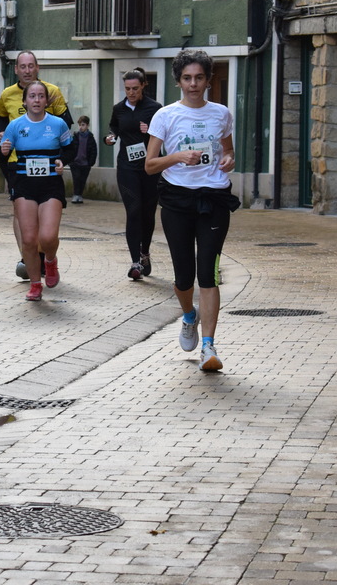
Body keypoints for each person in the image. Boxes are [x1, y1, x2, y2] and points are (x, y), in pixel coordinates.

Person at [144, 49, 239, 372]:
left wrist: (229, 160)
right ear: (178, 81)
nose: (193, 84)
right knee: (184, 277)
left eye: (199, 78)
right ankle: (189, 315)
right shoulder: (165, 116)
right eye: (187, 78)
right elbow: (150, 165)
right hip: (177, 200)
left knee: (208, 273)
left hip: (213, 199)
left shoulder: (221, 114)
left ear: (208, 80)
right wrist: (177, 157)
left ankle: (209, 347)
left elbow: (228, 151)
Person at [0, 50, 72, 280]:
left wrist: (59, 155)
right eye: (23, 66)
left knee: (45, 224)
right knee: (20, 215)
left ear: (37, 68)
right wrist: (2, 134)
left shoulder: (52, 91)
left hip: (47, 164)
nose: (27, 70)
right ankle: (27, 257)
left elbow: (66, 124)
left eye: (31, 66)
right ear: (16, 69)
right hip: (17, 163)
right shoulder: (7, 94)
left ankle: (43, 255)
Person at [105, 67, 163, 280]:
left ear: (143, 86)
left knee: (148, 213)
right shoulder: (119, 108)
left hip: (150, 167)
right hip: (127, 167)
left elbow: (164, 134)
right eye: (127, 88)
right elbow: (114, 128)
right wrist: (110, 138)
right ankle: (135, 262)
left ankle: (145, 252)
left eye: (135, 88)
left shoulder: (155, 108)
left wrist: (150, 131)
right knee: (134, 210)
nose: (131, 92)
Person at [69, 115, 97, 204]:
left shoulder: (90, 138)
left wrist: (91, 162)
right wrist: (70, 160)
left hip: (85, 163)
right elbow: (70, 149)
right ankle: (76, 195)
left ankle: (80, 195)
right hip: (75, 162)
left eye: (83, 125)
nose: (81, 127)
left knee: (82, 179)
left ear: (87, 125)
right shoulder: (75, 136)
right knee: (76, 178)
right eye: (80, 125)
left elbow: (93, 150)